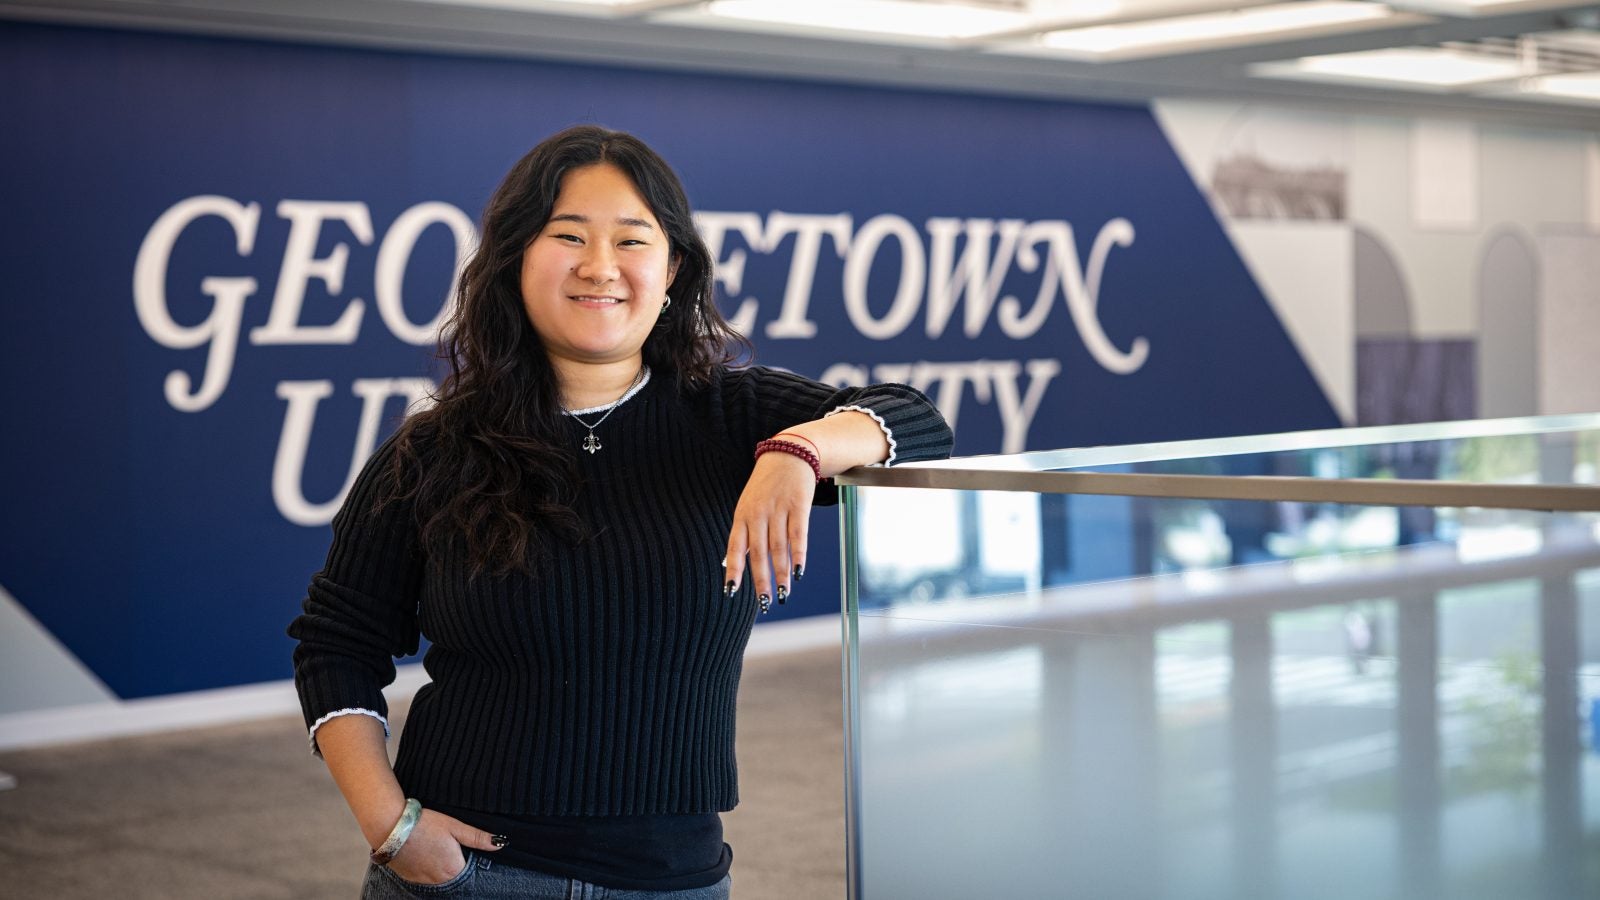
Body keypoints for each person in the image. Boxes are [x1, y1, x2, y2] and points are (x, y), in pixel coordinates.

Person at [288, 124, 953, 899]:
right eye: (568, 235)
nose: (599, 266)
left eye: (632, 240)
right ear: (515, 260)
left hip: (671, 880)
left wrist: (796, 451)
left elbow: (920, 424)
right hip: (467, 875)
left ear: (672, 271)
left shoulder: (730, 417)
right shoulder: (435, 451)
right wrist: (394, 829)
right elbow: (336, 644)